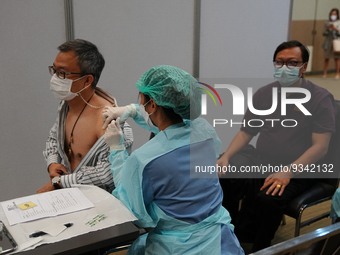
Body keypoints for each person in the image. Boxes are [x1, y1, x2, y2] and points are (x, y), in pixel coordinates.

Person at [102, 65, 244, 254]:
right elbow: (173, 131)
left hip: (176, 248)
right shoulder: (205, 131)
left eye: (142, 100)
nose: (141, 104)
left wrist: (116, 148)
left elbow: (130, 208)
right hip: (220, 242)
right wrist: (134, 110)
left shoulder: (144, 160)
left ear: (152, 104)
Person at [217, 40, 337, 252]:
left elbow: (320, 147)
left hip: (302, 168)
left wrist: (288, 171)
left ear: (304, 66)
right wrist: (226, 156)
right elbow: (246, 132)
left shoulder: (320, 98)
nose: (285, 68)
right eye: (279, 62)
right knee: (226, 174)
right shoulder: (265, 94)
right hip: (264, 160)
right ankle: (230, 231)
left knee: (269, 195)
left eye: (292, 63)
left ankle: (261, 247)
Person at [37, 39, 133, 194]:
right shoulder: (67, 104)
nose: (55, 78)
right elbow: (55, 138)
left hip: (102, 205)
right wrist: (52, 163)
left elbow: (108, 173)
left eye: (62, 73)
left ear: (87, 80)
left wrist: (59, 183)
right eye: (54, 70)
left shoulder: (110, 121)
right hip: (72, 196)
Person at [322, 8, 340, 78]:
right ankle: (324, 73)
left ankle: (337, 74)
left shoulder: (339, 22)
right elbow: (323, 33)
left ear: (337, 15)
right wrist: (327, 28)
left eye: (335, 14)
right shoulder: (327, 22)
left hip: (336, 42)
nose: (333, 15)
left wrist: (335, 28)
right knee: (326, 57)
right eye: (332, 14)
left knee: (337, 58)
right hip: (328, 42)